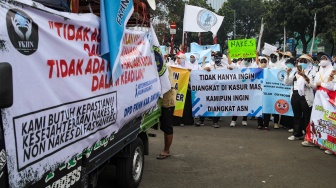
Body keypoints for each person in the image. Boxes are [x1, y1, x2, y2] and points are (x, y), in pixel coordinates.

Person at [284, 55, 315, 141]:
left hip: (305, 96)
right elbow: (287, 82)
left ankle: (308, 135)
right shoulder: (294, 72)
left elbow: (311, 85)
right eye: (300, 61)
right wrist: (287, 73)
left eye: (304, 61)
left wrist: (304, 76)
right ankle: (297, 133)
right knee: (297, 115)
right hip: (295, 95)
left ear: (308, 63)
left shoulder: (311, 72)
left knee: (306, 116)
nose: (302, 63)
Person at [227, 50, 259, 126]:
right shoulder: (238, 67)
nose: (247, 61)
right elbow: (230, 64)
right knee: (236, 104)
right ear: (243, 60)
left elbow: (256, 64)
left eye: (248, 59)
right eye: (245, 59)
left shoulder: (252, 67)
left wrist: (257, 55)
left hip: (248, 89)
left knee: (246, 104)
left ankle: (244, 119)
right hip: (239, 89)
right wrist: (228, 54)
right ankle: (233, 120)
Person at [157, 64, 176, 159]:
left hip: (167, 100)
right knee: (164, 126)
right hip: (161, 99)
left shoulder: (165, 67)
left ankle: (166, 150)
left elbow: (166, 86)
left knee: (167, 126)